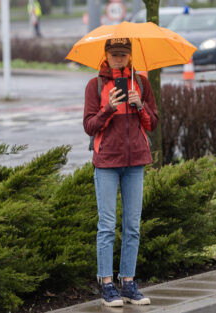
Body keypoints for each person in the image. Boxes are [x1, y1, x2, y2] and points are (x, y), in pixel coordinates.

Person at [83, 38, 158, 306]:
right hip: (106, 162)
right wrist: (108, 109)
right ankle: (106, 284)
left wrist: (140, 104)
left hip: (135, 161)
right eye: (114, 54)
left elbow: (153, 123)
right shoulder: (96, 85)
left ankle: (128, 283)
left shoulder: (142, 83)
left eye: (123, 55)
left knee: (132, 226)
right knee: (106, 225)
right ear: (106, 55)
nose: (118, 59)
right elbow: (89, 126)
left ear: (130, 56)